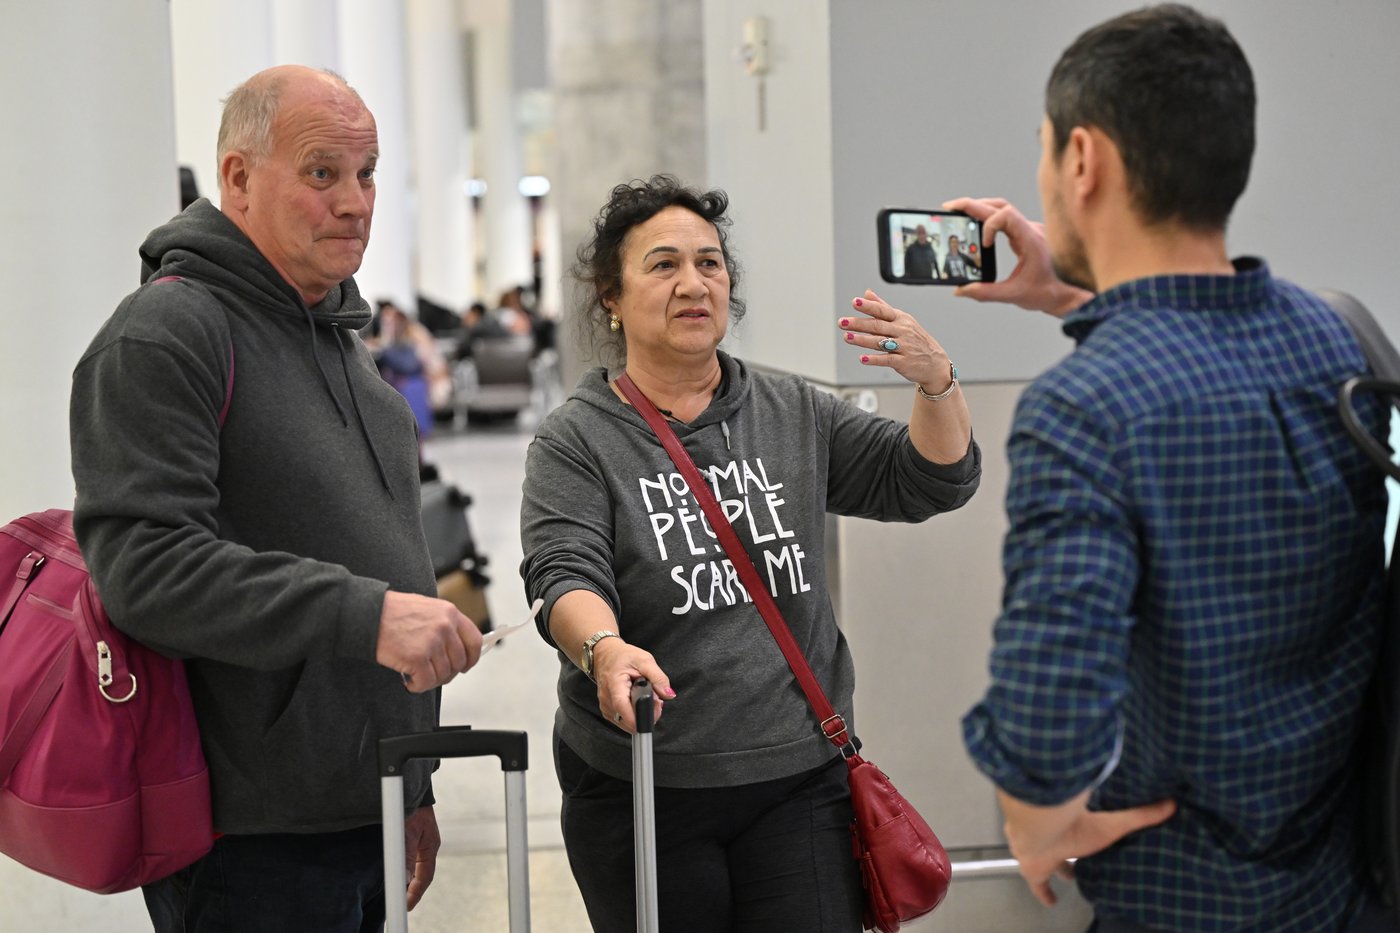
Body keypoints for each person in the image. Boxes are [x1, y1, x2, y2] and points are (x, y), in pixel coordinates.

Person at [949, 6, 1392, 932]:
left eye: (1045, 150)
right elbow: (1202, 354)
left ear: (1082, 160)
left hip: (1178, 898)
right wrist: (1068, 290)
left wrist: (1037, 824)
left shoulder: (1084, 408)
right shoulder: (1334, 336)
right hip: (1341, 884)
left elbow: (1046, 724)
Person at [69, 65, 484, 932]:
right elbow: (146, 568)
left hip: (363, 805)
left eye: (366, 174)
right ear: (238, 178)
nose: (355, 203)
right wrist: (367, 615)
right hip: (251, 840)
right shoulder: (167, 334)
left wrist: (413, 782)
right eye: (322, 173)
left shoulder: (336, 335)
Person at [519, 174, 981, 932]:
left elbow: (929, 479)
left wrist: (938, 384)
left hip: (798, 778)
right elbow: (564, 568)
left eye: (709, 263)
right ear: (611, 295)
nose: (693, 283)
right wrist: (603, 648)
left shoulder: (792, 410)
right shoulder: (579, 438)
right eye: (663, 265)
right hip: (644, 781)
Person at [366, 297, 453, 435]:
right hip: (417, 376)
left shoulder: (416, 334)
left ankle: (413, 429)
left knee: (409, 386)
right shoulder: (401, 336)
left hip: (431, 379)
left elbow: (418, 366)